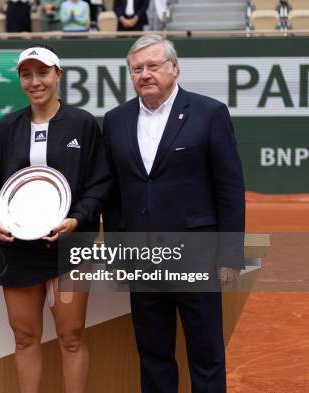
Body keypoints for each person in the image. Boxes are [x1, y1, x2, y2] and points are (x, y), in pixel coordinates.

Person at [102, 35, 245, 393]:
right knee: (153, 354)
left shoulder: (210, 113)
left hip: (196, 256)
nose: (145, 74)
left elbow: (229, 188)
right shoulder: (115, 120)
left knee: (206, 354)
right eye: (137, 69)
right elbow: (114, 192)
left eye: (153, 66)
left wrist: (229, 253)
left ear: (174, 68)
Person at [0, 45, 110, 393]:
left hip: (70, 247)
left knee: (71, 337)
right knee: (24, 338)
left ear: (58, 75)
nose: (35, 81)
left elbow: (99, 183)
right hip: (19, 249)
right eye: (26, 74)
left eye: (42, 73)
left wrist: (77, 220)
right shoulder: (7, 127)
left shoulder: (83, 123)